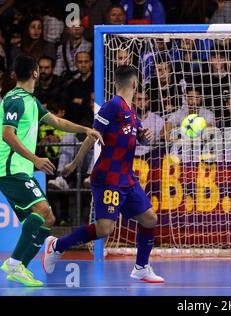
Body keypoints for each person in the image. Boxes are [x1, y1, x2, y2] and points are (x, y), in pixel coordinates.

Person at [42, 65, 165, 283]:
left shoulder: (130, 109)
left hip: (126, 178)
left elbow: (138, 138)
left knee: (149, 218)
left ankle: (141, 267)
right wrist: (73, 164)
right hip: (108, 177)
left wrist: (144, 136)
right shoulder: (113, 106)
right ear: (135, 84)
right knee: (104, 229)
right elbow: (92, 135)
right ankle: (56, 246)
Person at [0, 55, 102, 287]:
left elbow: (57, 121)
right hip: (10, 169)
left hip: (20, 170)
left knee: (47, 219)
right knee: (43, 209)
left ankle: (19, 267)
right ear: (35, 72)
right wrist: (35, 159)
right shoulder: (15, 100)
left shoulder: (30, 100)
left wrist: (85, 129)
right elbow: (7, 134)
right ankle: (15, 262)